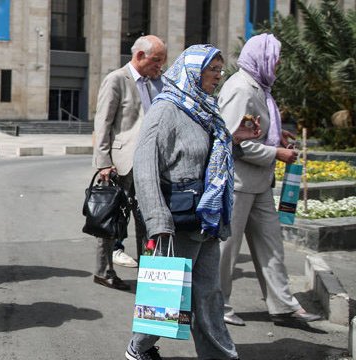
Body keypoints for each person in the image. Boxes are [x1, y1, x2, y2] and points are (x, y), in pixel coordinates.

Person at [125, 44, 260, 360]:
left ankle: (221, 354)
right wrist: (158, 223)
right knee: (168, 298)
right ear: (193, 71)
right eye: (213, 69)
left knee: (208, 295)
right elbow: (145, 168)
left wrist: (234, 136)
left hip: (208, 216)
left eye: (220, 69)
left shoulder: (202, 109)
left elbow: (212, 152)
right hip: (178, 221)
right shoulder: (166, 110)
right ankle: (138, 348)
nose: (218, 76)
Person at [217, 33, 321, 327]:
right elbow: (232, 142)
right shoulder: (241, 89)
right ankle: (218, 306)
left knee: (271, 244)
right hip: (237, 184)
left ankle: (283, 306)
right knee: (227, 250)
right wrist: (275, 152)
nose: (278, 64)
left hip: (258, 183)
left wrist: (277, 138)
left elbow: (253, 131)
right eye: (275, 58)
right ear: (261, 58)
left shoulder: (260, 88)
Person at [91, 35, 167, 288]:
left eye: (163, 61)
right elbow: (103, 123)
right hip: (122, 164)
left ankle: (150, 273)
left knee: (149, 220)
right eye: (156, 60)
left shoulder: (160, 83)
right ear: (139, 56)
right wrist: (103, 162)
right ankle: (103, 271)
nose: (160, 66)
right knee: (111, 219)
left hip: (152, 164)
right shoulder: (116, 80)